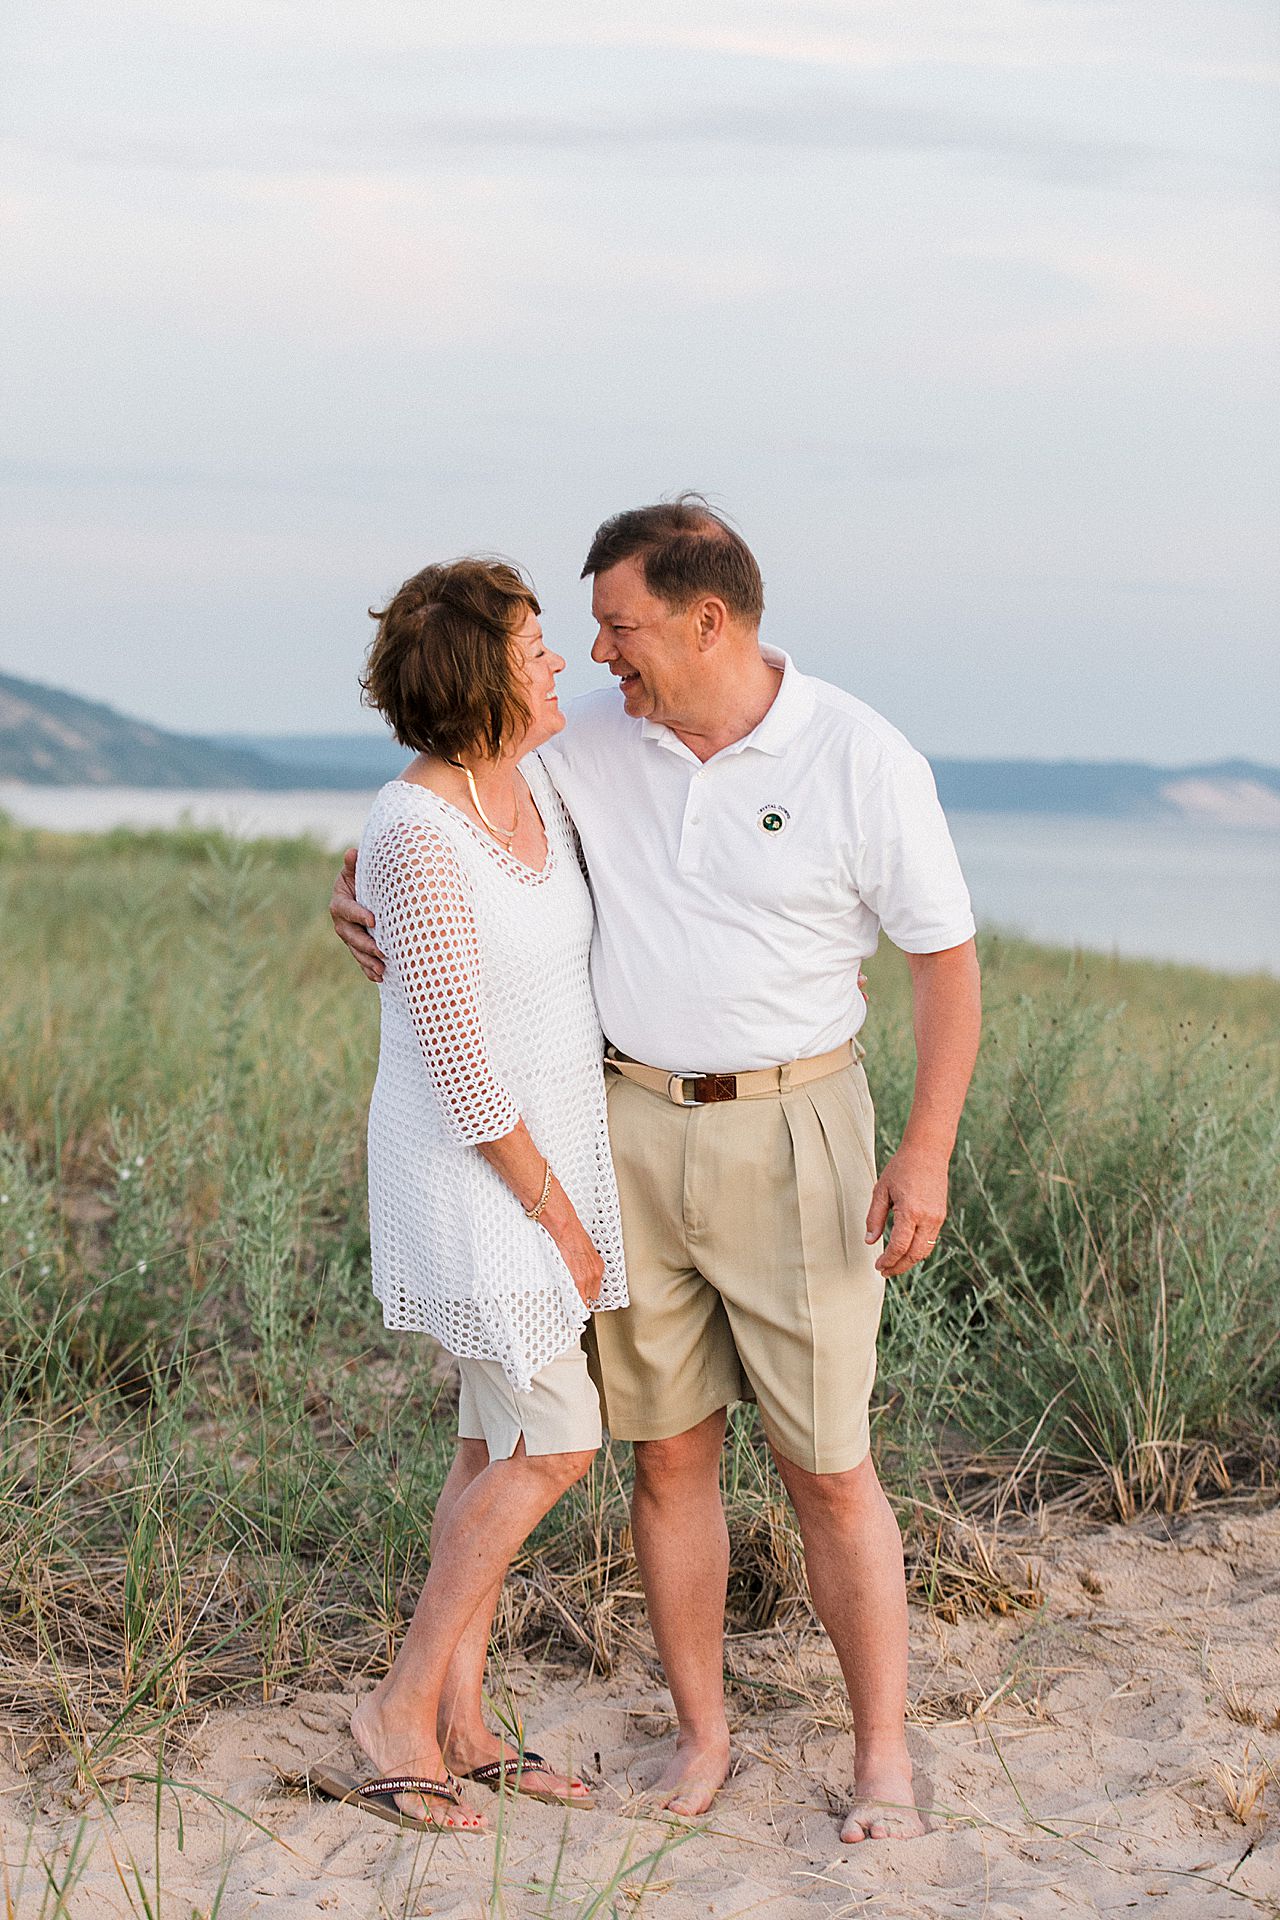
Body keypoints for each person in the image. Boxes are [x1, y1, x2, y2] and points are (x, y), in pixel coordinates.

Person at [330, 501, 981, 1845]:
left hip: (802, 1131)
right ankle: (702, 1738)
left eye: (620, 629)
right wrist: (353, 885)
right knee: (668, 1454)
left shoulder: (862, 754)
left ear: (709, 620)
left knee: (829, 1462)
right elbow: (452, 809)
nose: (597, 654)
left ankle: (883, 1760)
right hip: (622, 1131)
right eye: (580, 636)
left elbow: (945, 960)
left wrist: (926, 1150)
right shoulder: (597, 751)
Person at [321, 558, 627, 1835]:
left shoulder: (532, 781)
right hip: (479, 1178)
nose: (556, 664)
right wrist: (559, 1221)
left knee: (490, 1441)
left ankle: (460, 1716)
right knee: (556, 1441)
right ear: (478, 676)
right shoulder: (417, 826)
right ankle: (397, 1709)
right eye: (535, 647)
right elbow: (456, 1063)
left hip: (545, 1157)